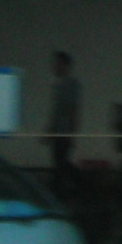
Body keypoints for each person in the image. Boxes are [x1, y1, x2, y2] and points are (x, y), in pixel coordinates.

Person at [47, 51, 81, 201]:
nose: (54, 67)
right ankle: (64, 190)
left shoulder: (71, 85)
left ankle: (61, 193)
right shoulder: (59, 85)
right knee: (61, 163)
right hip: (59, 132)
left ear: (64, 65)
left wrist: (70, 133)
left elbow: (72, 110)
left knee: (61, 164)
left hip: (63, 131)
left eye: (57, 64)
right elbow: (56, 112)